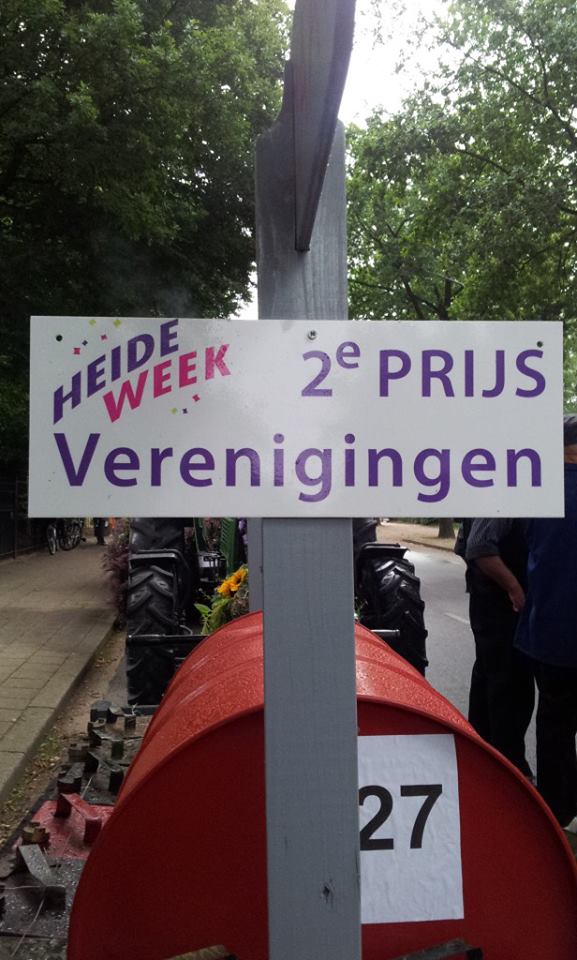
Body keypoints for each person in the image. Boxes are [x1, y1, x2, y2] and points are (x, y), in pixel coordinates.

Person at [515, 414, 577, 830]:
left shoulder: (537, 494)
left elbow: (522, 544)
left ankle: (556, 811)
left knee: (555, 723)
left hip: (550, 632)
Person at [455, 516, 535, 777]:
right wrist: (513, 587)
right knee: (509, 688)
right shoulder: (502, 500)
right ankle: (509, 769)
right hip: (500, 607)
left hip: (490, 604)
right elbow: (478, 547)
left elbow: (463, 546)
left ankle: (482, 762)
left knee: (489, 681)